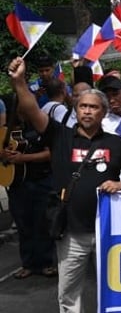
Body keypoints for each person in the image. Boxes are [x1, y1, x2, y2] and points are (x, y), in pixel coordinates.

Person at [9, 56, 121, 313]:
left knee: (115, 290)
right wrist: (19, 82)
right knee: (69, 295)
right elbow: (32, 110)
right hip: (71, 234)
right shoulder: (60, 136)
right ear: (76, 109)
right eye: (83, 107)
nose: (87, 111)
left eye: (93, 107)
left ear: (103, 112)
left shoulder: (116, 143)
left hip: (110, 234)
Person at [2, 93, 56, 279]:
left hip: (40, 180)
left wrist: (23, 158)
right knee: (24, 224)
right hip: (17, 183)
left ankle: (46, 262)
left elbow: (50, 154)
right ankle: (28, 263)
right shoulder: (9, 128)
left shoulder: (42, 126)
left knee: (41, 222)